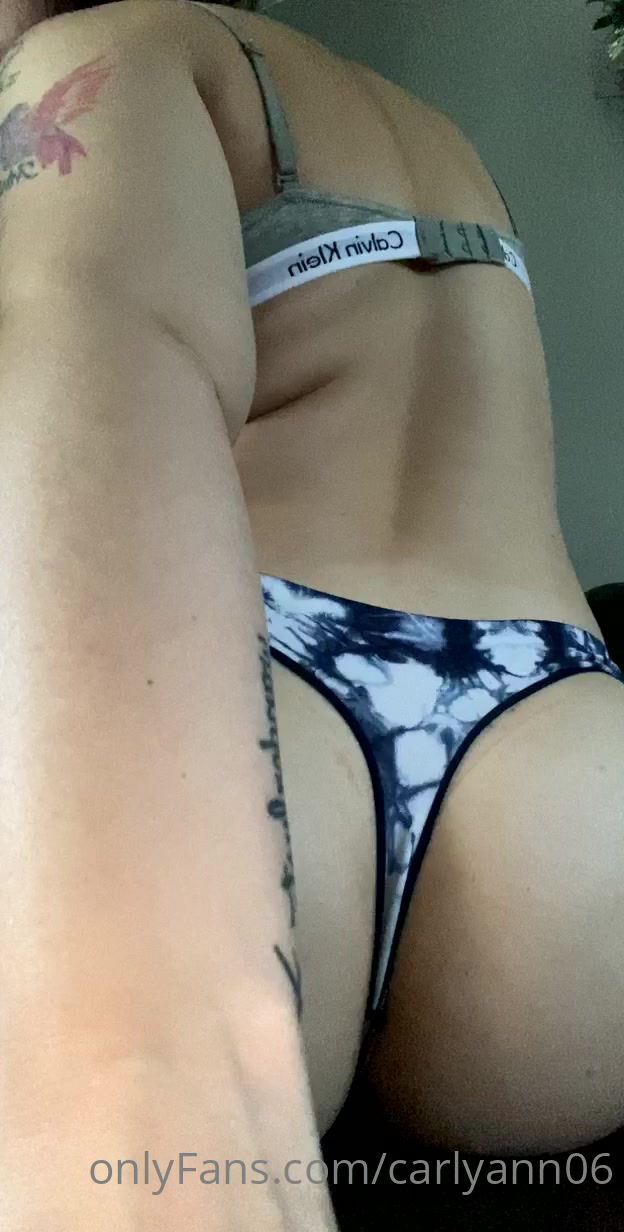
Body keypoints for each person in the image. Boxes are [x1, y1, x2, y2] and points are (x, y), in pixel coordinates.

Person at [1, 1, 623, 1225]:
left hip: (288, 703)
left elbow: (85, 441)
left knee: (143, 1123)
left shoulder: (94, 67)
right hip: (571, 767)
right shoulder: (440, 135)